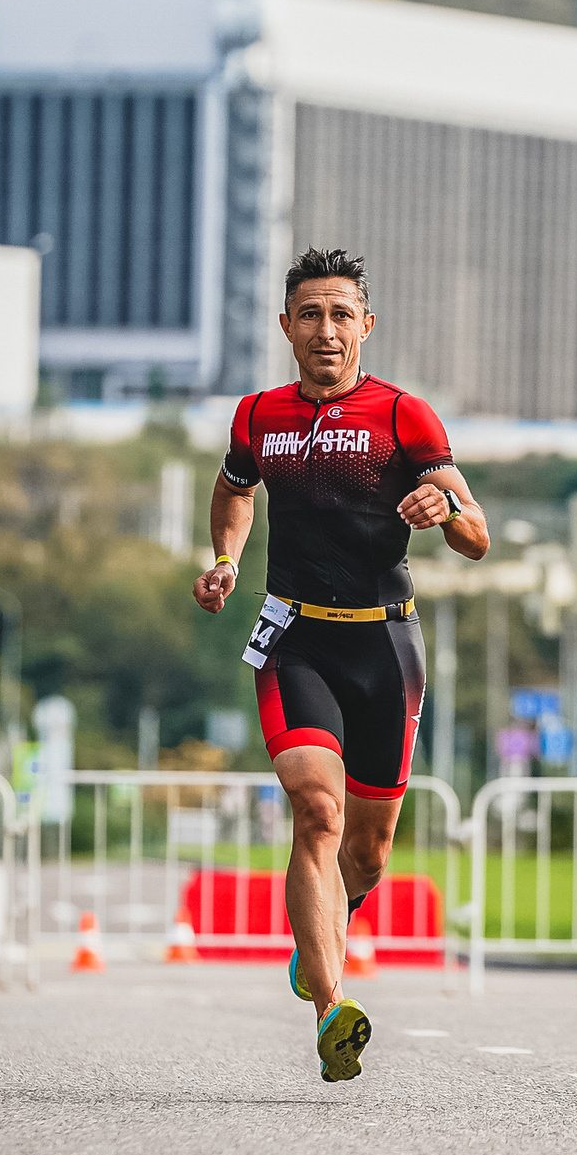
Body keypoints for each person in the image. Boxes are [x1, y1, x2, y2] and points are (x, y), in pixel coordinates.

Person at [194, 247, 490, 1081]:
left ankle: (329, 924)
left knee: (366, 851)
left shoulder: (405, 417)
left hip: (386, 646)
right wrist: (224, 556)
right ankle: (332, 1006)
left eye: (341, 315)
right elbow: (233, 487)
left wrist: (446, 508)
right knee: (316, 814)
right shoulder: (259, 415)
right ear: (286, 326)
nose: (326, 331)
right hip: (295, 642)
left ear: (366, 325)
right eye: (310, 315)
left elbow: (478, 535)